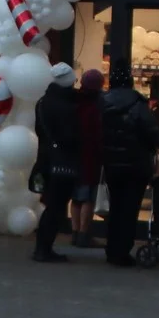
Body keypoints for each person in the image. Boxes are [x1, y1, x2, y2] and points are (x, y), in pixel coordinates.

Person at [100, 57, 159, 267]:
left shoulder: (103, 102)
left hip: (112, 163)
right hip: (136, 163)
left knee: (116, 206)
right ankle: (122, 250)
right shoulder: (139, 104)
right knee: (130, 209)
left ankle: (112, 248)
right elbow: (151, 132)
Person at [31, 63, 81, 262]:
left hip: (46, 158)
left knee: (52, 204)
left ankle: (42, 247)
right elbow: (71, 135)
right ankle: (44, 248)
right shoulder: (68, 106)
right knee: (57, 206)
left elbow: (39, 130)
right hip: (63, 161)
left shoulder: (43, 102)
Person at [71, 68, 105, 248]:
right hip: (91, 156)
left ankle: (75, 232)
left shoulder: (75, 100)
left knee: (76, 197)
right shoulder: (98, 104)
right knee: (88, 198)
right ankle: (84, 234)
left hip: (74, 154)